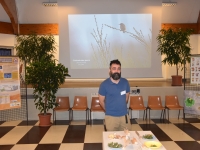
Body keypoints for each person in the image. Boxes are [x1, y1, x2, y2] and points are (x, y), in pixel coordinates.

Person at [98, 59, 131, 131]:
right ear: (109, 70)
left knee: (127, 139)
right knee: (112, 140)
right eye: (114, 68)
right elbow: (101, 101)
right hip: (111, 118)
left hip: (124, 116)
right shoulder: (104, 85)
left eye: (118, 69)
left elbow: (126, 98)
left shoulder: (125, 82)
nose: (116, 71)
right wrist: (109, 110)